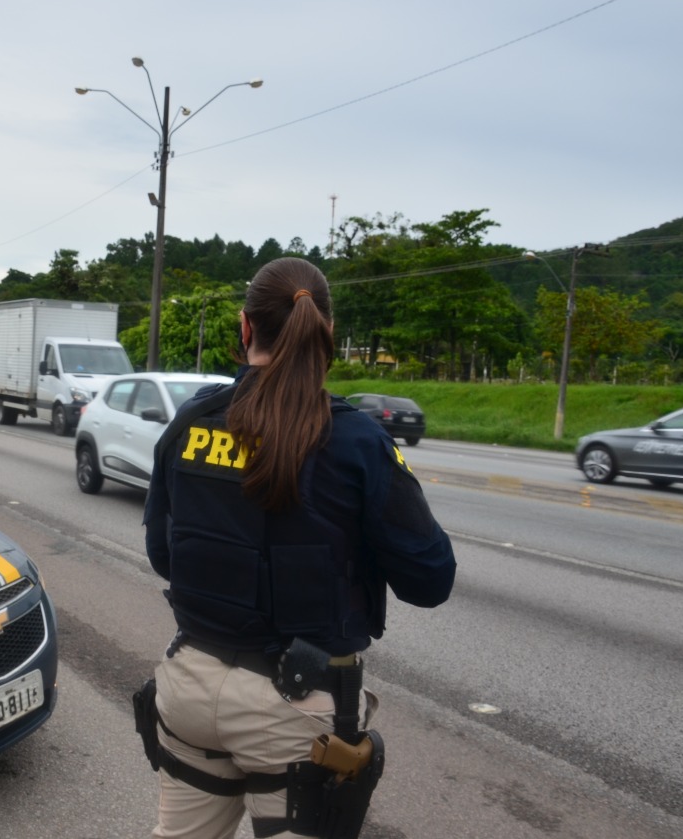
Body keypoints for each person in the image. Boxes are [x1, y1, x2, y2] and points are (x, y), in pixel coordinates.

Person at [141, 257, 456, 839]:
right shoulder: (357, 440)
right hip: (294, 710)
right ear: (327, 333)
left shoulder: (190, 422)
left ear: (245, 328)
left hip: (188, 681)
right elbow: (430, 580)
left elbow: (165, 554)